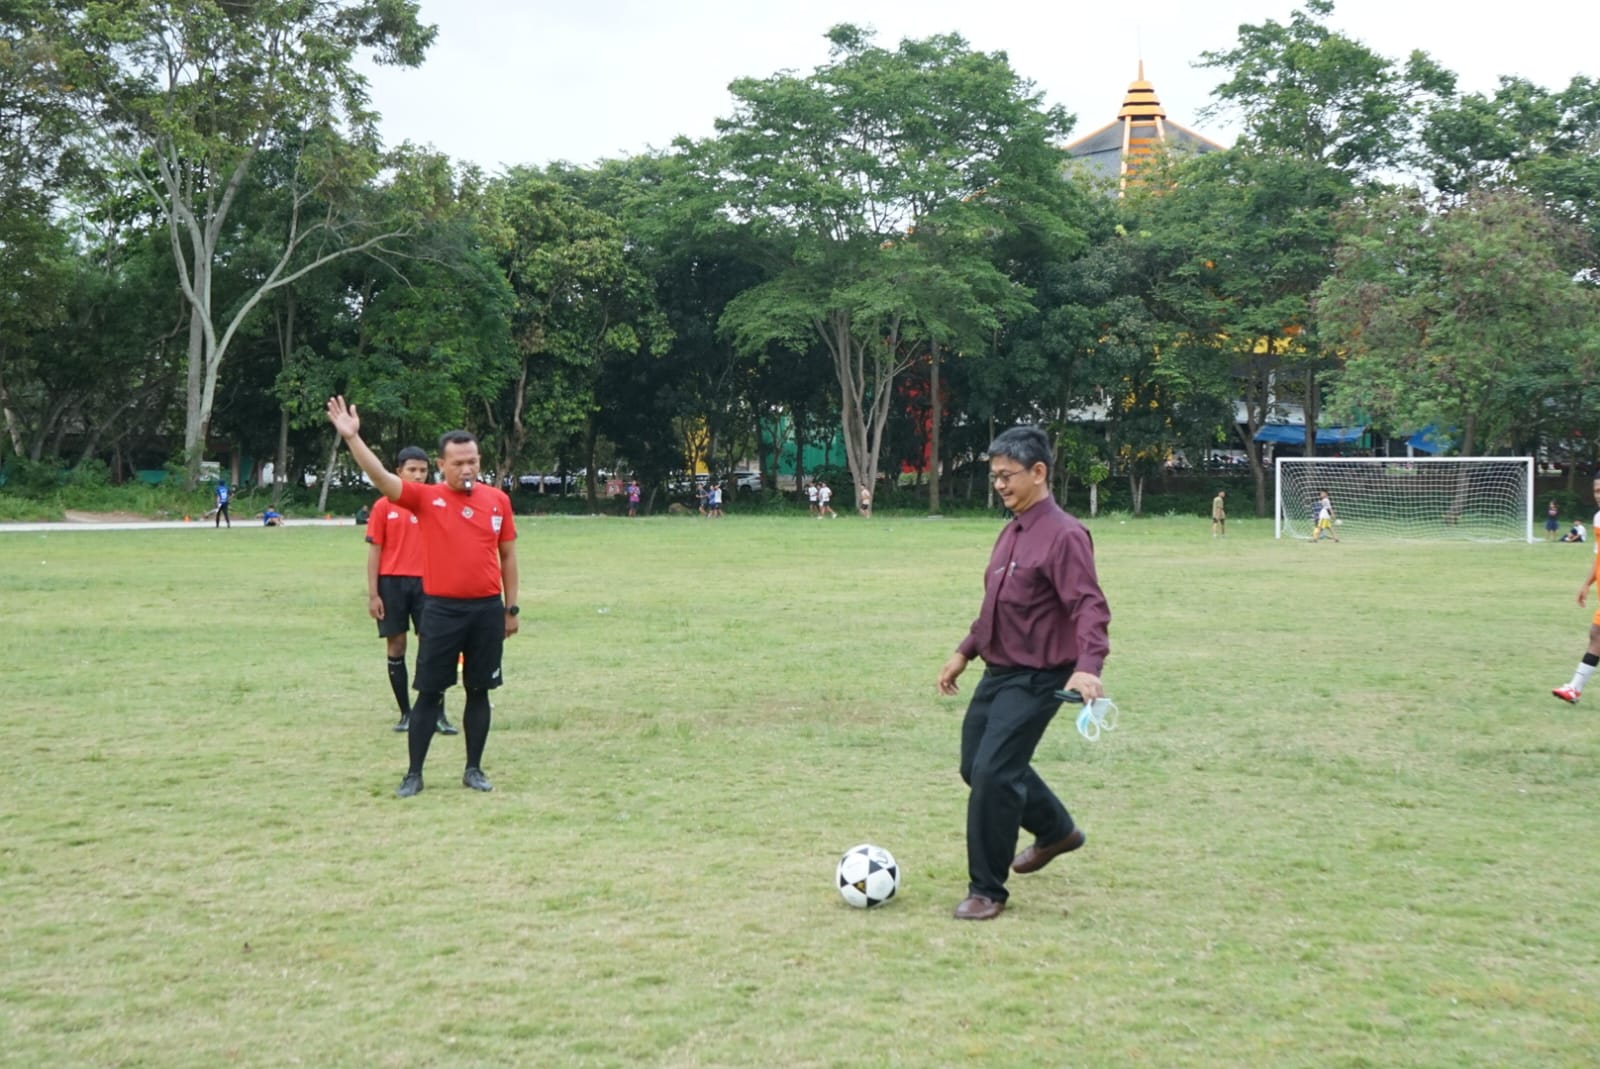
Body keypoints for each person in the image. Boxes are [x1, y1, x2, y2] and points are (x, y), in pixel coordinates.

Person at [936, 425, 1112, 921]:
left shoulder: (1066, 535)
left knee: (993, 774)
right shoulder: (1011, 532)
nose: (999, 485)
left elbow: (1089, 605)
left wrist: (1087, 668)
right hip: (998, 672)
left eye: (1006, 475)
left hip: (1039, 677)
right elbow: (998, 605)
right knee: (976, 766)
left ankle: (986, 890)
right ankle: (1056, 830)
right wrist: (965, 651)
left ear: (1038, 472)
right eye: (994, 476)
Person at [327, 396, 519, 798]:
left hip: (486, 610)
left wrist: (511, 608)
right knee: (429, 692)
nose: (467, 469)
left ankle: (473, 769)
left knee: (479, 690)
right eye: (458, 463)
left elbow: (508, 556)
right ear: (441, 465)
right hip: (441, 610)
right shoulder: (426, 498)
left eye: (473, 461)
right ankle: (414, 773)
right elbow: (382, 479)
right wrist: (353, 439)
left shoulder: (497, 501)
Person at [366, 446, 455, 736]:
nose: (418, 475)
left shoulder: (435, 502)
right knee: (396, 645)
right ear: (398, 472)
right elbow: (374, 551)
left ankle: (438, 714)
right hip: (392, 583)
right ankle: (406, 713)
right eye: (412, 470)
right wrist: (373, 594)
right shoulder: (383, 506)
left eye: (423, 470)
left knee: (433, 646)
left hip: (429, 583)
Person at [1553, 472, 1600, 703]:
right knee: (1596, 634)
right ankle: (1574, 689)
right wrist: (1586, 584)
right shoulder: (1598, 518)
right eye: (1596, 491)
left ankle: (1574, 688)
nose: (1599, 495)